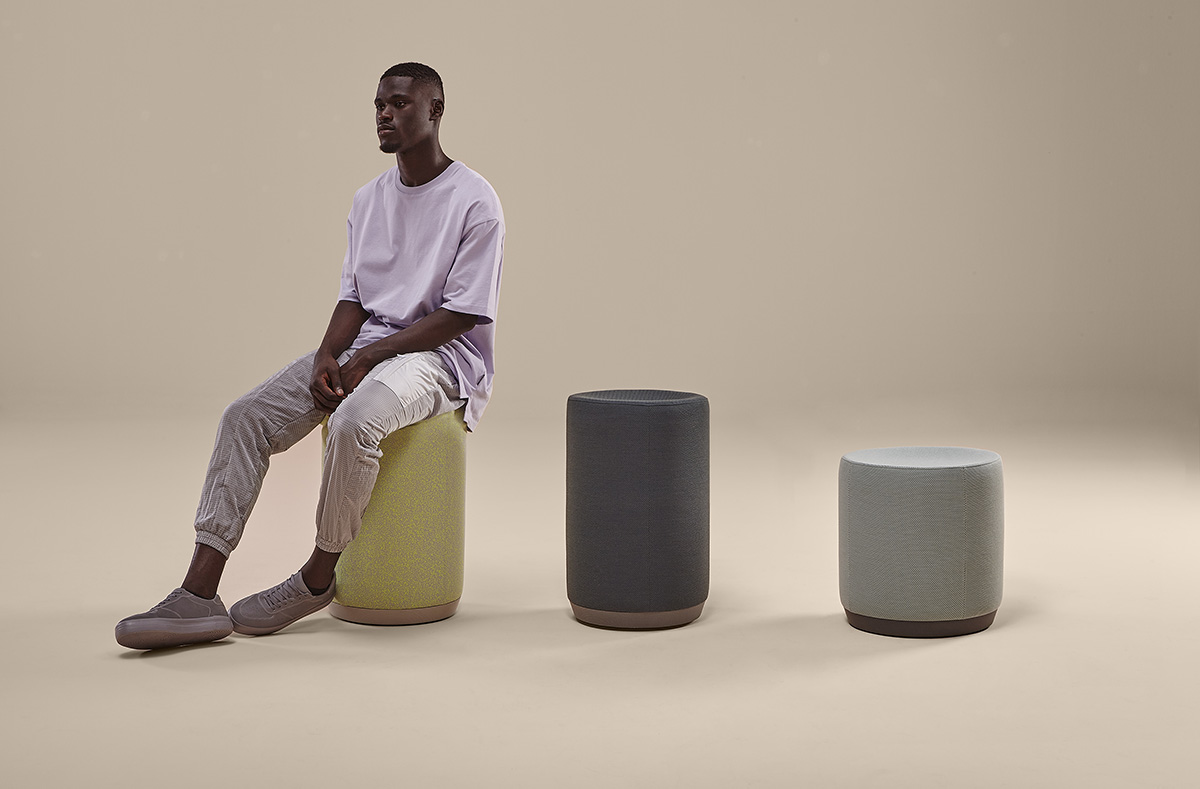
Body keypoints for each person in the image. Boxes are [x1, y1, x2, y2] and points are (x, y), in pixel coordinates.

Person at [115, 62, 504, 650]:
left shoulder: (476, 200)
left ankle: (316, 578)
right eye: (379, 105)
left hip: (441, 358)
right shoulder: (368, 199)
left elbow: (462, 314)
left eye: (400, 103)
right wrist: (328, 353)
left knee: (353, 421)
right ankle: (198, 592)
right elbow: (355, 296)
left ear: (435, 110)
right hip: (368, 345)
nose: (385, 114)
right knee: (244, 417)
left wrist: (368, 359)